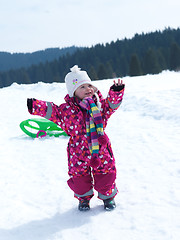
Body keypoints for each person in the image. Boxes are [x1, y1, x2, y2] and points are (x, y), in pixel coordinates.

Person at [27, 65, 125, 211]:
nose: (88, 89)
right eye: (82, 87)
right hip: (77, 152)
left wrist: (116, 92)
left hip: (101, 148)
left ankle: (108, 197)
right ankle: (83, 199)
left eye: (89, 85)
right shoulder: (66, 110)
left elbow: (112, 105)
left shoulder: (99, 105)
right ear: (73, 92)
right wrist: (35, 105)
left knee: (105, 173)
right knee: (79, 177)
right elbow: (53, 111)